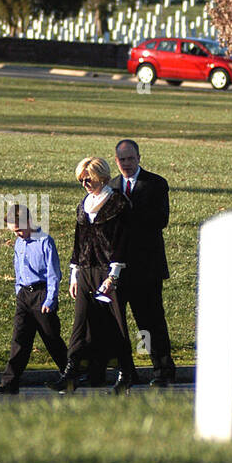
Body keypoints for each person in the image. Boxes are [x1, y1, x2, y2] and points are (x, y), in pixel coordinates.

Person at [53, 156, 135, 394]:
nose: (85, 184)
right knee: (79, 325)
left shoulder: (118, 203)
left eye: (88, 179)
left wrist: (113, 276)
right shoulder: (84, 204)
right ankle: (70, 374)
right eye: (81, 180)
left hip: (109, 272)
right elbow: (79, 242)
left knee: (117, 324)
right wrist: (74, 274)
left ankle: (126, 373)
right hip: (86, 271)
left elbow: (122, 242)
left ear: (101, 176)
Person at [111, 137, 177, 387]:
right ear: (116, 161)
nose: (126, 163)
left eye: (130, 158)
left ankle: (162, 371)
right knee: (118, 323)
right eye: (122, 160)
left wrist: (128, 211)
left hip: (147, 267)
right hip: (119, 268)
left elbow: (160, 220)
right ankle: (126, 372)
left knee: (151, 322)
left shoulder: (156, 184)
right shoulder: (112, 186)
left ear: (139, 158)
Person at [0, 204, 69, 394]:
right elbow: (18, 268)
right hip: (24, 295)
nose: (17, 234)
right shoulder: (19, 243)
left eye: (18, 229)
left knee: (51, 338)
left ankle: (70, 375)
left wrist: (50, 299)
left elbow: (53, 273)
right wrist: (19, 290)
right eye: (13, 231)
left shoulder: (45, 241)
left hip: (42, 294)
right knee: (19, 339)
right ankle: (10, 382)